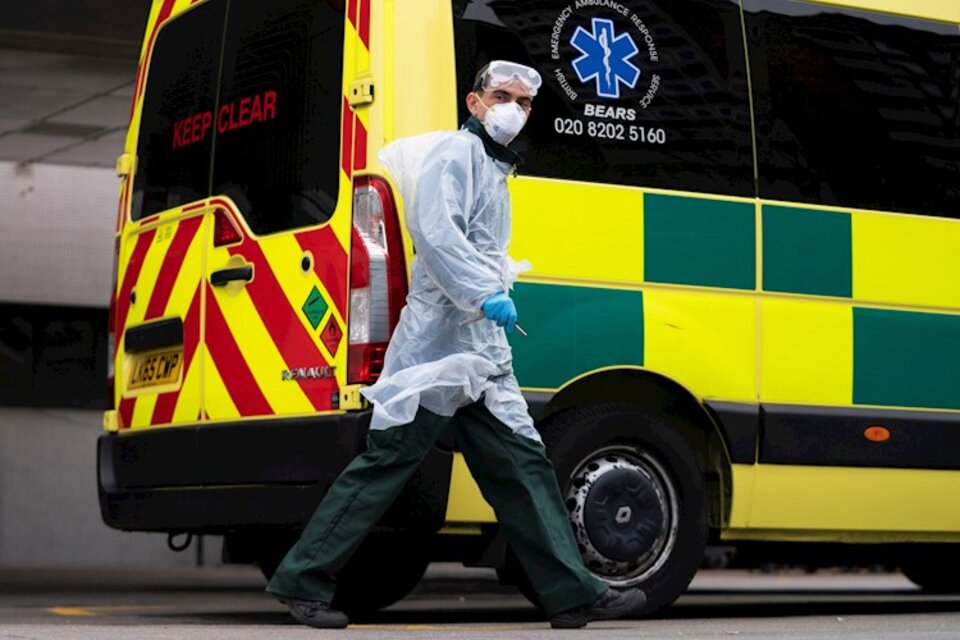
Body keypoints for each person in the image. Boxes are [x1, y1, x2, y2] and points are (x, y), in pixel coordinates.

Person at [265, 60, 646, 629]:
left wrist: (489, 296)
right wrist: (484, 293)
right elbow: (436, 233)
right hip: (438, 347)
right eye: (501, 96)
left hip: (477, 350)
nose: (513, 109)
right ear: (474, 102)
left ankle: (572, 594)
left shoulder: (493, 169)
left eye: (524, 101)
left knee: (522, 465)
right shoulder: (457, 156)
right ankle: (302, 579)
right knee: (386, 463)